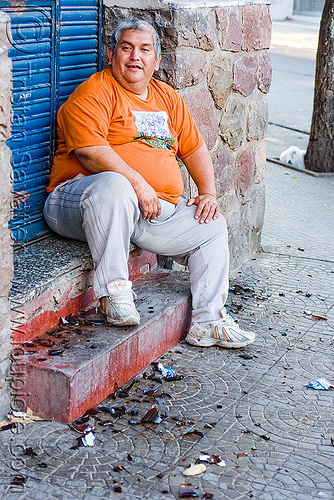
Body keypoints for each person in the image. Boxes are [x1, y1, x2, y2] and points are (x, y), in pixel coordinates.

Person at [44, 17, 256, 349]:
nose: (135, 57)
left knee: (211, 226)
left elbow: (194, 147)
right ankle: (114, 293)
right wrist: (138, 183)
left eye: (145, 50)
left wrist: (208, 193)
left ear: (156, 61)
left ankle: (207, 320)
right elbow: (90, 153)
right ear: (111, 55)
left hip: (145, 211)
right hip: (77, 200)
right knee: (115, 186)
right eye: (126, 48)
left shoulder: (166, 98)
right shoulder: (95, 92)